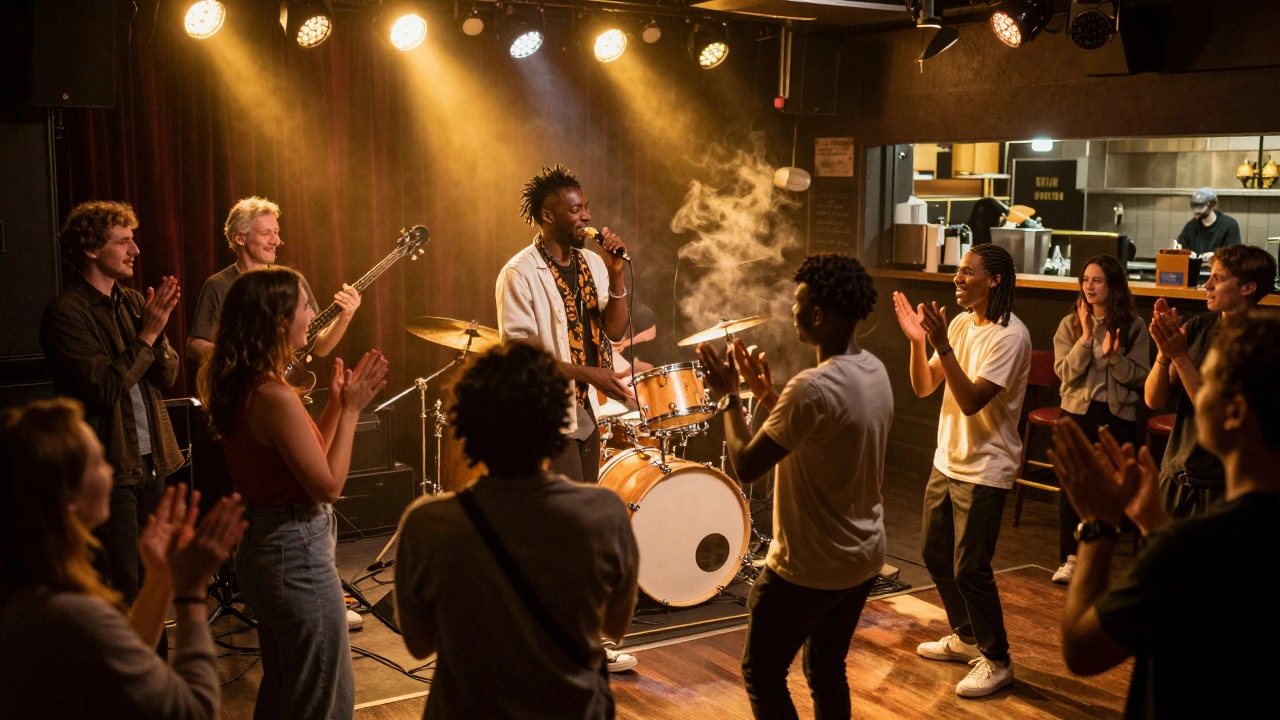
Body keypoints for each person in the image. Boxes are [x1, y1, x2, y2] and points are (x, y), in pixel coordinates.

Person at [1049, 311, 1280, 719]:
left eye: (1207, 382)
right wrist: (1154, 523)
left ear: (1235, 412)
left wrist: (1098, 524)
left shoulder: (1198, 545)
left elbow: (1083, 650)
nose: (1197, 394)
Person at [394, 342, 640, 719]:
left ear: (467, 423)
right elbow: (615, 625)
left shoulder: (427, 522)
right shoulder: (604, 513)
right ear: (557, 420)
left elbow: (419, 643)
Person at [695, 253, 892, 720]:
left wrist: (729, 398)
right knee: (826, 669)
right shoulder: (874, 371)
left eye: (797, 301)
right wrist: (767, 398)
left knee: (762, 674)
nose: (791, 309)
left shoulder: (811, 387)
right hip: (864, 557)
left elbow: (745, 466)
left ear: (818, 314)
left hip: (808, 568)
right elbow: (824, 436)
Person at [197, 267, 388, 720]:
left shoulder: (249, 383)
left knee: (286, 690)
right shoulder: (273, 395)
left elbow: (310, 459)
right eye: (305, 306)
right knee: (322, 698)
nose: (312, 315)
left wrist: (337, 404)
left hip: (269, 547)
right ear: (280, 320)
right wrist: (353, 412)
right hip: (294, 552)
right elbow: (327, 486)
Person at [0, 398, 247, 719]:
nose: (111, 469)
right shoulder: (69, 614)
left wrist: (161, 577)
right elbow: (193, 712)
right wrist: (190, 593)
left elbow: (128, 652)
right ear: (67, 496)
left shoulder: (30, 589)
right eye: (100, 461)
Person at [892, 243, 1031, 698]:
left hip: (986, 467)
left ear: (993, 280)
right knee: (935, 555)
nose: (957, 278)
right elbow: (923, 385)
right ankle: (966, 636)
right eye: (957, 270)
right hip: (946, 459)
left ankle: (997, 660)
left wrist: (941, 345)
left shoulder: (1010, 336)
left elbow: (971, 401)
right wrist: (919, 342)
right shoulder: (957, 323)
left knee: (970, 568)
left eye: (967, 272)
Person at [39, 200, 185, 607]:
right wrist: (149, 335)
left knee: (157, 579)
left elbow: (167, 375)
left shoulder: (137, 301)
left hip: (153, 463)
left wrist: (155, 335)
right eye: (123, 242)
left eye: (132, 241)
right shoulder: (65, 314)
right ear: (91, 249)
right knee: (125, 585)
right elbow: (104, 388)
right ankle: (130, 670)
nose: (134, 251)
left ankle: (157, 670)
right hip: (111, 471)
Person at [496, 164, 632, 486]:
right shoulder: (519, 273)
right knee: (568, 514)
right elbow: (520, 358)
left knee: (585, 504)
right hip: (546, 414)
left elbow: (614, 331)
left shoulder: (593, 262)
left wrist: (616, 276)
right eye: (575, 209)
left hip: (586, 407)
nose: (586, 217)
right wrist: (587, 373)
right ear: (548, 216)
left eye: (586, 208)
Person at [1144, 243, 1276, 519]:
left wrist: (1179, 355)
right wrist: (1163, 352)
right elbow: (1153, 400)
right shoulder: (1196, 327)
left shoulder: (1259, 341)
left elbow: (1216, 411)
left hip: (1220, 482)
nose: (1207, 285)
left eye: (1218, 278)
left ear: (1247, 288)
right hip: (1176, 470)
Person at [1049, 255, 1150, 584]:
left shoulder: (1133, 326)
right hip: (1077, 412)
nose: (1089, 287)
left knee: (1110, 491)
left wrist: (1112, 357)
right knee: (1072, 487)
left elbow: (1140, 378)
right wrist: (1086, 339)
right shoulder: (1070, 324)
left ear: (1113, 285)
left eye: (1097, 281)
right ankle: (1070, 559)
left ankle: (1100, 560)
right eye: (1085, 280)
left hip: (1117, 414)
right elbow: (1064, 374)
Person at [186, 196, 362, 363]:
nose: (277, 241)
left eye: (277, 232)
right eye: (266, 233)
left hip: (287, 389)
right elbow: (193, 346)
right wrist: (241, 359)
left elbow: (320, 347)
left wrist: (344, 318)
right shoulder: (218, 285)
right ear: (240, 238)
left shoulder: (293, 281)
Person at [1174, 187, 1241, 257]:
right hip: (1194, 267)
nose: (1196, 212)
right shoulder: (1191, 226)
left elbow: (1235, 255)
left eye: (1200, 206)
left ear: (1212, 205)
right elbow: (1180, 246)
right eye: (1195, 206)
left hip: (1217, 267)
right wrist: (1186, 253)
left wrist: (1216, 256)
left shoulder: (1229, 225)